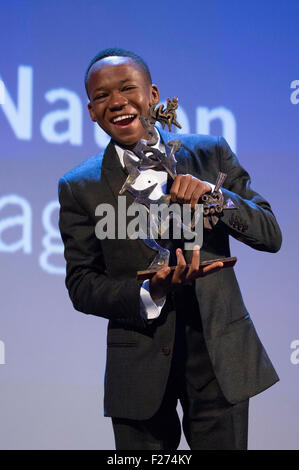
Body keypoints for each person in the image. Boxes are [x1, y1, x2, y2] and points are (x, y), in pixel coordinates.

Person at [58, 48, 282, 450]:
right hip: (139, 365)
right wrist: (149, 291)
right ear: (91, 110)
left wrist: (216, 195)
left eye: (128, 88)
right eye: (103, 96)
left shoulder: (209, 152)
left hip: (219, 357)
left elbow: (270, 235)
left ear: (153, 95)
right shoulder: (79, 186)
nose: (118, 102)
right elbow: (81, 284)